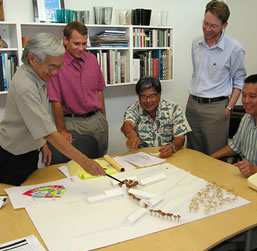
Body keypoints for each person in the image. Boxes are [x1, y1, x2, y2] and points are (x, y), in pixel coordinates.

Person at [0, 33, 105, 186]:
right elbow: (48, 131)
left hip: (29, 151)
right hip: (13, 156)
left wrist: (42, 144)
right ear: (32, 59)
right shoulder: (25, 86)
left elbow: (37, 117)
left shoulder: (36, 75)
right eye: (51, 67)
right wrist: (84, 162)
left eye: (59, 66)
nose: (55, 72)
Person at [186, 0, 246, 155]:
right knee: (193, 153)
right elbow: (196, 73)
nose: (207, 29)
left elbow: (239, 81)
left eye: (213, 26)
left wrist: (229, 108)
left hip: (216, 108)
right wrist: (190, 97)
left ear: (224, 25)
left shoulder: (235, 48)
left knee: (215, 155)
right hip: (193, 106)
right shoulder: (195, 43)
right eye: (205, 23)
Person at [47, 21, 108, 158]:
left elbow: (99, 90)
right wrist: (61, 130)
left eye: (84, 44)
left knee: (102, 163)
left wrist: (103, 118)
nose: (81, 48)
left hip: (97, 121)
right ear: (65, 40)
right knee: (78, 167)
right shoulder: (56, 64)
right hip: (73, 124)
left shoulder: (92, 60)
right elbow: (55, 101)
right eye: (76, 44)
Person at [121, 76, 191, 158]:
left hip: (167, 156)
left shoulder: (173, 108)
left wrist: (172, 147)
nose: (148, 101)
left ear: (159, 94)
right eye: (143, 96)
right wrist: (131, 134)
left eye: (152, 96)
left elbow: (180, 137)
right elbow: (127, 124)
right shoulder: (133, 109)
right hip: (142, 157)